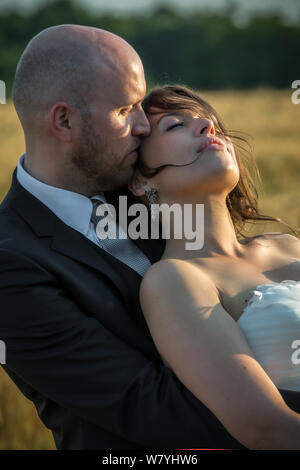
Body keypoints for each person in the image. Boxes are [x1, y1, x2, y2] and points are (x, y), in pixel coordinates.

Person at [0, 24, 299, 451]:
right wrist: (273, 418)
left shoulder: (159, 189)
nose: (142, 126)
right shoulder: (11, 263)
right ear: (63, 120)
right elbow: (148, 408)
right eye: (125, 110)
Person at [129, 85, 300, 449]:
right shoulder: (174, 280)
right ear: (140, 179)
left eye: (211, 122)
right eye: (175, 125)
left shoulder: (287, 246)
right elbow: (266, 429)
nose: (209, 125)